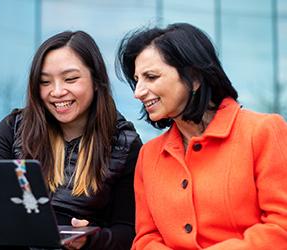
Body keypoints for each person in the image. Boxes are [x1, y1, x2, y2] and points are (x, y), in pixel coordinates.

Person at [0, 30, 142, 250]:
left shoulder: (124, 144)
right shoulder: (14, 127)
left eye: (71, 79)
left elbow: (128, 233)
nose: (56, 92)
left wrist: (90, 240)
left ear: (96, 81)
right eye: (45, 82)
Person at [116, 22, 287, 249]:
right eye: (137, 80)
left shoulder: (263, 131)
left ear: (194, 78)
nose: (138, 92)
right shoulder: (149, 155)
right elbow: (146, 238)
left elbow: (281, 227)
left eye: (151, 77)